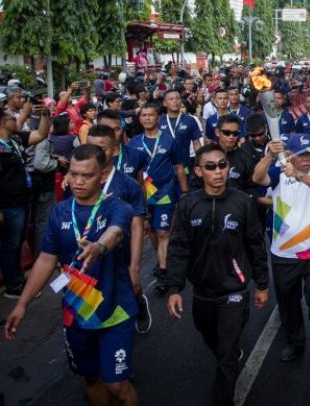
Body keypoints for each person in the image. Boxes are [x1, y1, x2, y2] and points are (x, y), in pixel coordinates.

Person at [4, 144, 139, 405]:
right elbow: (45, 259)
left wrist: (99, 247)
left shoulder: (117, 207)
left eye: (86, 175)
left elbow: (116, 232)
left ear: (102, 175)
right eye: (74, 174)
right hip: (76, 314)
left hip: (116, 310)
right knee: (91, 379)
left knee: (116, 385)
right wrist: (22, 304)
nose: (77, 181)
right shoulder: (60, 211)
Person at [167, 144, 269, 406]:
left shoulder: (243, 203)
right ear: (199, 171)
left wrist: (262, 284)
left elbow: (256, 245)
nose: (218, 171)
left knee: (225, 356)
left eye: (223, 165)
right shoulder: (187, 204)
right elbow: (178, 247)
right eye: (211, 167)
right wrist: (175, 288)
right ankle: (229, 352)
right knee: (210, 335)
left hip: (234, 291)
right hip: (202, 292)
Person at [252, 133, 310, 362]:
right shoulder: (278, 172)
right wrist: (269, 155)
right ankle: (295, 342)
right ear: (289, 155)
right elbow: (257, 178)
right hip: (284, 252)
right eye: (301, 155)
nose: (307, 159)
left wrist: (298, 175)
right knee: (289, 302)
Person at [86, 125, 150, 334]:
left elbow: (137, 227)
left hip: (121, 254)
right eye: (89, 147)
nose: (93, 154)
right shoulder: (78, 181)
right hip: (91, 257)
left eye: (100, 149)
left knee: (132, 291)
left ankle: (139, 305)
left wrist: (134, 268)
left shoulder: (128, 185)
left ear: (114, 150)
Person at [128, 104, 189, 292]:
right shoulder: (134, 143)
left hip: (164, 193)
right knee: (152, 233)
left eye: (151, 115)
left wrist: (185, 192)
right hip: (143, 193)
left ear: (158, 118)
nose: (147, 118)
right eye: (144, 115)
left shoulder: (170, 141)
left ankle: (164, 271)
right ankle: (161, 259)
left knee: (163, 232)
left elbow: (179, 167)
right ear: (140, 119)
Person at [0, 104, 50, 298]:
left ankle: (18, 279)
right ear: (3, 123)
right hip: (8, 204)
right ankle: (13, 286)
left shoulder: (15, 140)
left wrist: (44, 114)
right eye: (13, 118)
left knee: (17, 242)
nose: (17, 120)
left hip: (22, 200)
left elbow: (42, 134)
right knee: (10, 244)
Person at [159, 90, 202, 176]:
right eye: (171, 99)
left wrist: (199, 162)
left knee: (185, 187)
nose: (175, 101)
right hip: (164, 167)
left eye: (178, 98)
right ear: (164, 103)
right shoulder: (159, 121)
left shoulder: (190, 120)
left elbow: (196, 144)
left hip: (185, 166)